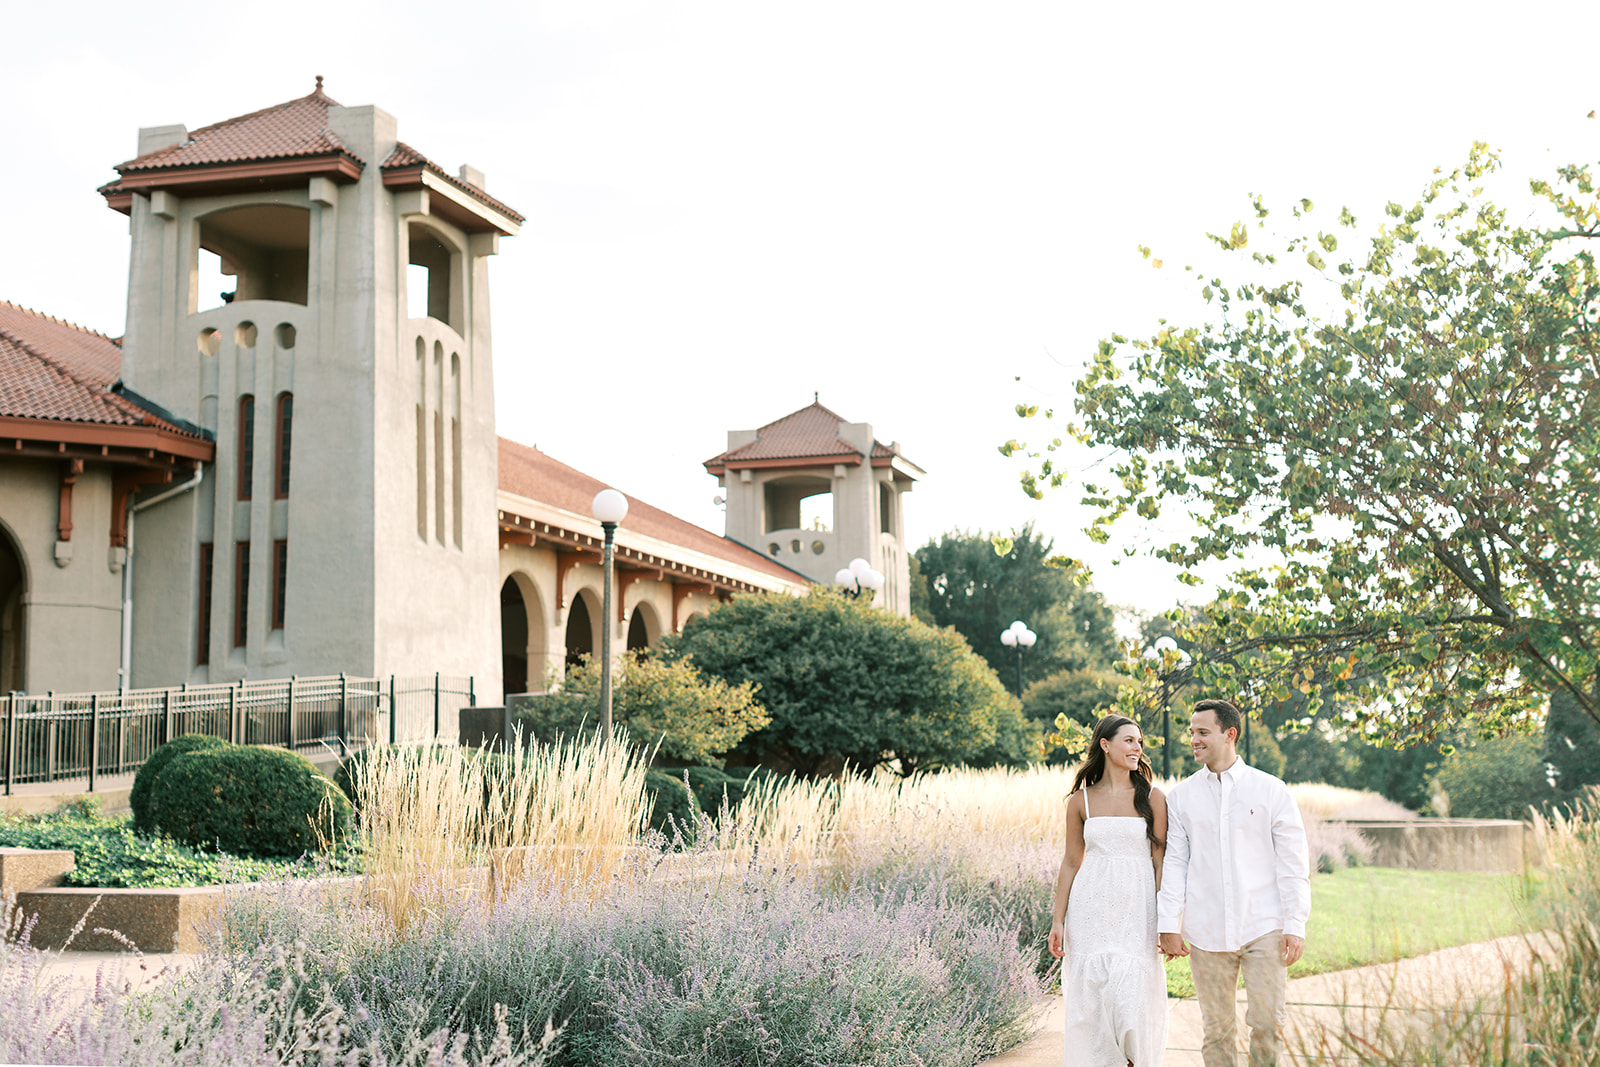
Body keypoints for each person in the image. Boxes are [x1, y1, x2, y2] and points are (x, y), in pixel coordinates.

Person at [1157, 698, 1311, 1067]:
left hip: (1264, 926)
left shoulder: (1271, 790)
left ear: (1230, 734)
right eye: (1192, 732)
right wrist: (1167, 924)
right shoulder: (1180, 798)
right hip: (1206, 932)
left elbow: (1293, 863)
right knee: (1217, 1030)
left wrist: (1295, 924)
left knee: (1268, 1023)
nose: (1193, 739)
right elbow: (1175, 864)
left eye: (1202, 732)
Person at [1049, 714, 1170, 1066]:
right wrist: (1058, 920)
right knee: (1094, 1006)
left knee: (1130, 1004)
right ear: (1105, 744)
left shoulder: (1154, 798)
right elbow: (1071, 862)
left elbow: (1160, 861)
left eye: (1140, 742)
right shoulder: (1080, 802)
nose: (1137, 748)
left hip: (1137, 907)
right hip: (1091, 909)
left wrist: (1165, 919)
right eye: (1129, 740)